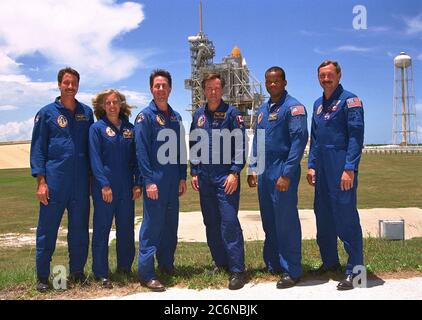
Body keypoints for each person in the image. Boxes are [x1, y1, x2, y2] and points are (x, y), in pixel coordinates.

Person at [30, 67, 94, 292]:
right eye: (66, 82)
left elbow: (92, 147)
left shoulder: (86, 113)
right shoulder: (46, 113)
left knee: (79, 230)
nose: (70, 86)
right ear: (59, 85)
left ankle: (77, 272)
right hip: (55, 183)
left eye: (73, 83)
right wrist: (41, 181)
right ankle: (43, 277)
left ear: (78, 85)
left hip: (80, 184)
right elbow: (38, 149)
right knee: (47, 230)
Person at [247, 66, 308, 289]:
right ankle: (273, 263)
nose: (272, 85)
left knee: (286, 222)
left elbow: (298, 142)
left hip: (282, 171)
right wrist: (252, 169)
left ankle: (292, 270)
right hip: (264, 173)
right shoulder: (263, 110)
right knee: (269, 221)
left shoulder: (293, 108)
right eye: (268, 81)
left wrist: (287, 173)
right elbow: (257, 141)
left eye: (276, 81)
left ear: (284, 82)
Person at [307, 60, 365, 290]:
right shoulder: (317, 105)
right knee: (324, 218)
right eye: (322, 75)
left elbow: (356, 137)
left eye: (330, 75)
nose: (326, 79)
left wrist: (349, 168)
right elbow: (315, 139)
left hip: (341, 168)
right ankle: (330, 262)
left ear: (339, 76)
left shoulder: (350, 101)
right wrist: (311, 165)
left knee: (347, 219)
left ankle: (356, 272)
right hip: (321, 170)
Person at [189, 73, 246, 290]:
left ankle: (237, 269)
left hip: (225, 177)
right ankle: (220, 262)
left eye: (216, 88)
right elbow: (194, 142)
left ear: (222, 90)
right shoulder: (198, 115)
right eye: (209, 88)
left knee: (229, 222)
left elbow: (241, 143)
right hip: (205, 177)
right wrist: (194, 170)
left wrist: (235, 171)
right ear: (204, 90)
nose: (213, 92)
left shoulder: (232, 114)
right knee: (211, 222)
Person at [134, 69, 187, 292]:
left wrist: (182, 176)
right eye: (157, 86)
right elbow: (141, 151)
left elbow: (181, 149)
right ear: (151, 89)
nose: (161, 89)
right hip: (154, 180)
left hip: (172, 180)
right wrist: (148, 180)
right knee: (152, 226)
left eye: (164, 85)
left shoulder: (176, 117)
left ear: (170, 89)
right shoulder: (144, 117)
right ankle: (146, 273)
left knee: (170, 227)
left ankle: (166, 265)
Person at [89, 89, 142, 289]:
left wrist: (138, 183)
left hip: (126, 188)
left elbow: (136, 159)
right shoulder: (97, 129)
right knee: (102, 230)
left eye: (116, 102)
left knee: (126, 230)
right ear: (103, 106)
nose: (112, 105)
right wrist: (104, 184)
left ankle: (124, 269)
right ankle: (101, 273)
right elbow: (95, 159)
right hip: (105, 189)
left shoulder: (130, 129)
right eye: (108, 103)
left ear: (121, 105)